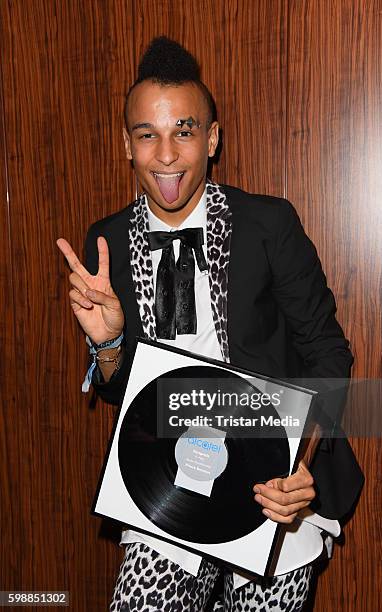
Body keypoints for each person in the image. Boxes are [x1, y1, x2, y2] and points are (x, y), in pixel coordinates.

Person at [57, 37, 363, 612]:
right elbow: (128, 393)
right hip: (169, 483)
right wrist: (108, 345)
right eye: (147, 134)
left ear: (212, 138)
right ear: (127, 144)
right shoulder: (110, 243)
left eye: (185, 131)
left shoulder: (268, 224)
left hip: (274, 480)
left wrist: (299, 461)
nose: (166, 155)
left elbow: (329, 355)